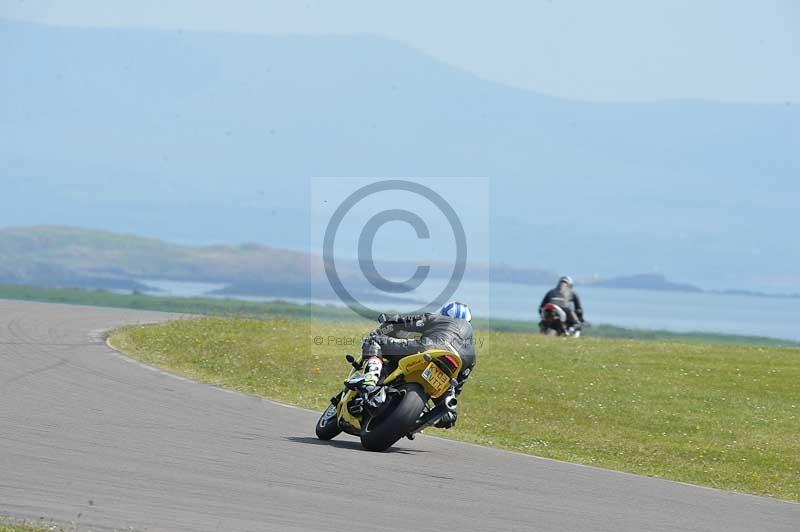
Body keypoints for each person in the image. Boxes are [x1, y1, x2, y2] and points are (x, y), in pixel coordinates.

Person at [358, 301, 476, 429]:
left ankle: (369, 383)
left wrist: (384, 327)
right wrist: (447, 403)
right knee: (448, 409)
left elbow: (403, 322)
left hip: (429, 348)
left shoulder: (437, 318)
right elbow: (457, 386)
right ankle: (442, 414)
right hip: (456, 363)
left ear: (444, 314)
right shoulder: (472, 353)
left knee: (374, 341)